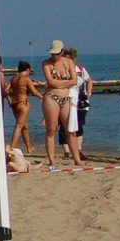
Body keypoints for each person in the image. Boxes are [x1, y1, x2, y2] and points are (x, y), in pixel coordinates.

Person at [40, 40, 77, 169]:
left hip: (66, 98)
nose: (54, 56)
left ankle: (77, 159)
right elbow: (50, 82)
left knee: (70, 130)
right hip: (52, 97)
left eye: (57, 53)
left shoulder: (69, 62)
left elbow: (74, 80)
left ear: (62, 52)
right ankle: (52, 161)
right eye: (53, 54)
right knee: (51, 130)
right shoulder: (46, 64)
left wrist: (60, 83)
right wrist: (64, 83)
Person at [6, 61, 41, 154]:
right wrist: (44, 98)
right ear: (28, 70)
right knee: (19, 126)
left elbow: (6, 90)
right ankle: (11, 149)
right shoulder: (26, 79)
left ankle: (29, 147)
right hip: (23, 103)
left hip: (14, 104)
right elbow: (35, 92)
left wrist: (9, 99)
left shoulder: (13, 78)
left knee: (24, 126)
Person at [65, 47, 90, 164]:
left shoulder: (80, 70)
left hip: (80, 101)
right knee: (66, 126)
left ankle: (78, 150)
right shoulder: (63, 70)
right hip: (67, 99)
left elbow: (89, 81)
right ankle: (67, 150)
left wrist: (88, 94)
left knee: (79, 125)